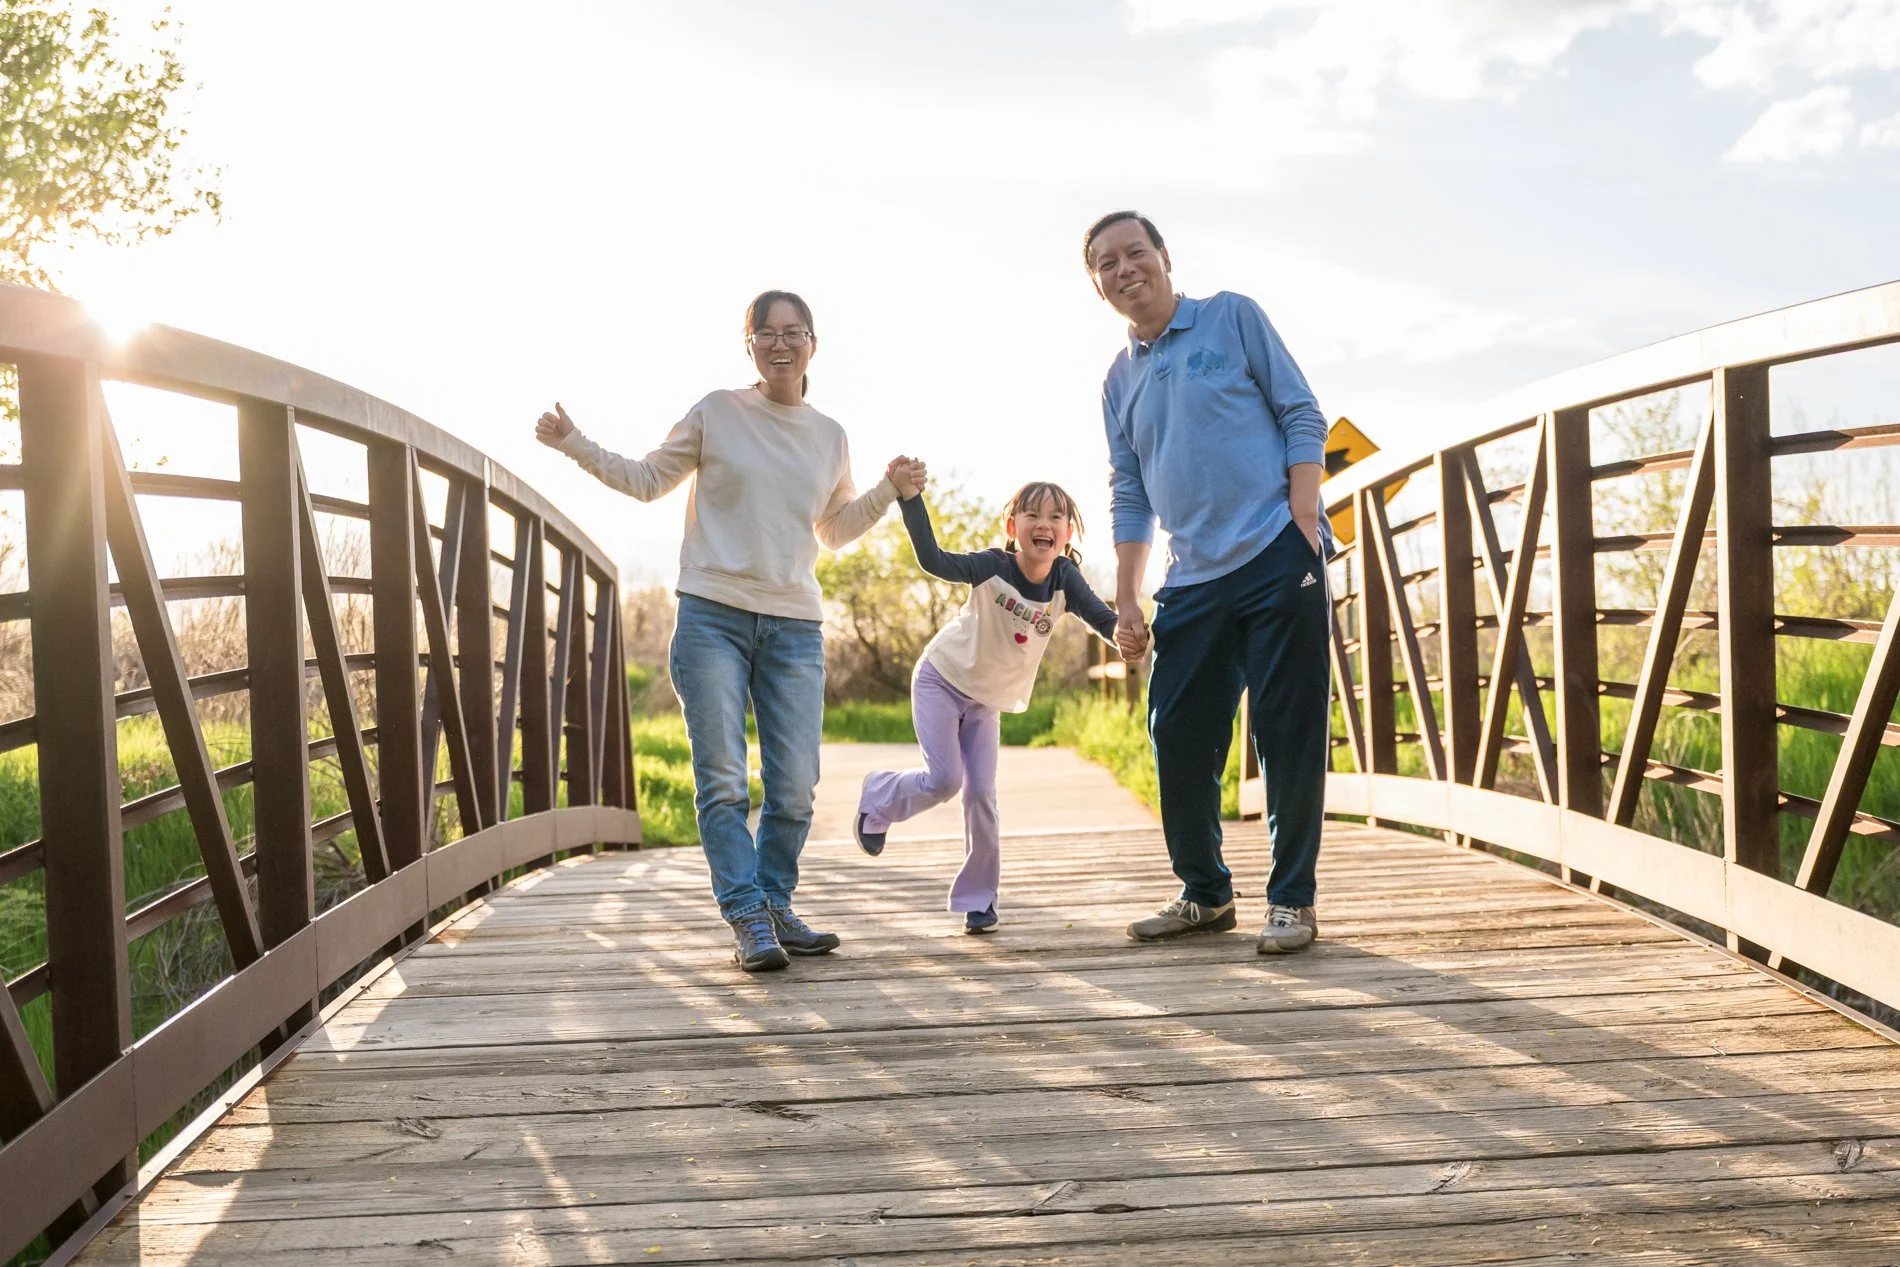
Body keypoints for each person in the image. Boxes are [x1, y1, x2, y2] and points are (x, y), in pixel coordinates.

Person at [535, 290, 914, 972]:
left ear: (812, 345)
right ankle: (746, 915)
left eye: (793, 332)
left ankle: (775, 903)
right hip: (712, 614)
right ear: (750, 345)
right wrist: (575, 444)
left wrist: (887, 489)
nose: (780, 343)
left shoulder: (830, 435)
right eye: (765, 333)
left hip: (795, 625)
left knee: (795, 787)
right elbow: (650, 479)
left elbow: (833, 531)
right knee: (724, 783)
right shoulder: (718, 411)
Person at [1084, 210, 1333, 955]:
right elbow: (1129, 490)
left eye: (1136, 252)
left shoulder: (1231, 316)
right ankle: (1205, 892)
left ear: (1163, 256)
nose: (1125, 268)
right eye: (1107, 263)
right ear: (1097, 286)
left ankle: (1291, 901)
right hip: (1191, 576)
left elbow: (1302, 411)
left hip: (1273, 554)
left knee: (1286, 732)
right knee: (1177, 734)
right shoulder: (1117, 380)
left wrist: (1302, 506)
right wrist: (1126, 595)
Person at [853, 472, 1121, 933]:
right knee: (945, 780)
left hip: (985, 702)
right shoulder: (993, 566)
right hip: (941, 678)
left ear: (1067, 533)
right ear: (1012, 526)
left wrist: (1129, 636)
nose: (1045, 523)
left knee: (981, 795)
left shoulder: (1064, 579)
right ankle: (879, 797)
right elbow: (934, 560)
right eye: (1032, 514)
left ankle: (980, 899)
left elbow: (1102, 619)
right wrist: (911, 499)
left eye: (1056, 517)